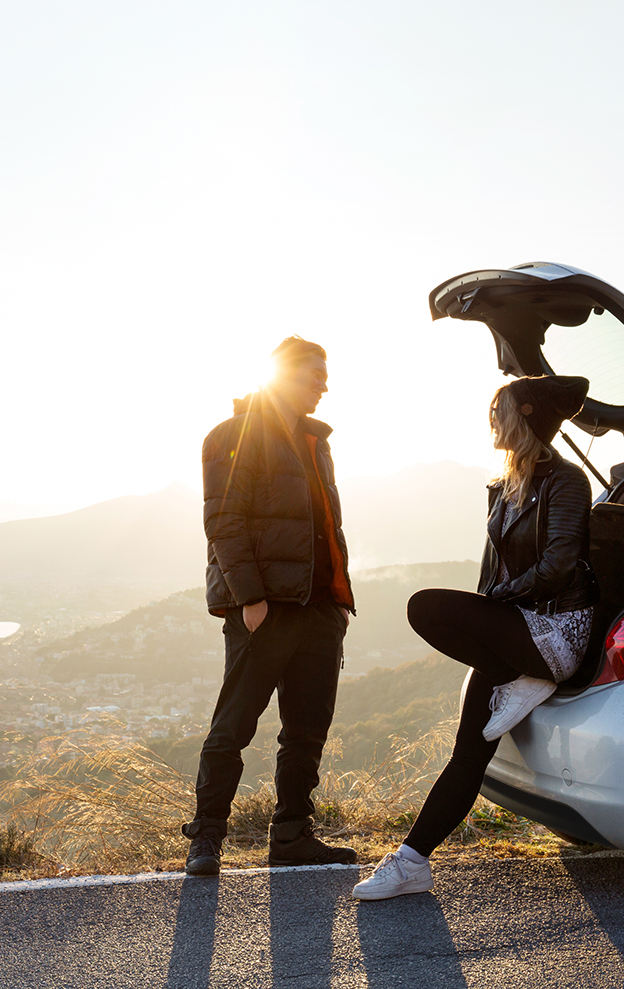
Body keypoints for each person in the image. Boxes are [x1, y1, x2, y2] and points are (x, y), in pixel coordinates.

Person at [352, 374, 597, 900]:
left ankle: (531, 676)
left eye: (499, 409)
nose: (491, 419)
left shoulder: (567, 481)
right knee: (468, 751)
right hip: (513, 633)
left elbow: (559, 566)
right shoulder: (501, 486)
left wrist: (496, 604)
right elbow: (494, 570)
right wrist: (488, 611)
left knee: (424, 606)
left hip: (555, 628)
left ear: (527, 414)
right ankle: (412, 863)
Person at [182, 336, 360, 875]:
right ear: (281, 374)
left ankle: (291, 835)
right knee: (234, 726)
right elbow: (223, 521)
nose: (324, 384)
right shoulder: (231, 436)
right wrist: (251, 599)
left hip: (320, 606)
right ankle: (206, 838)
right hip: (266, 607)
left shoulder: (315, 441)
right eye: (314, 374)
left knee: (307, 728)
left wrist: (336, 602)